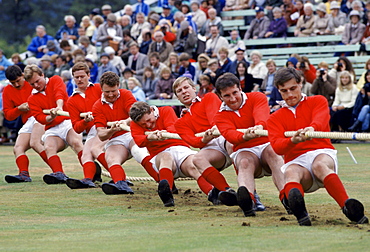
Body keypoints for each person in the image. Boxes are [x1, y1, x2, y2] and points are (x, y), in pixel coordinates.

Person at [267, 67, 368, 226]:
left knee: (319, 165)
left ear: (301, 83)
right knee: (291, 172)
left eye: (293, 88)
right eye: (284, 91)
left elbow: (321, 119)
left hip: (321, 152)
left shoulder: (317, 100)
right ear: (278, 91)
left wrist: (312, 128)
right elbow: (278, 147)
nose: (290, 95)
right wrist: (293, 141)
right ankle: (301, 213)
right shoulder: (274, 118)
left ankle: (346, 205)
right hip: (297, 161)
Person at [213, 73, 286, 217]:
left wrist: (259, 126)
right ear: (220, 96)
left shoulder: (256, 97)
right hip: (244, 150)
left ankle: (288, 197)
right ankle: (248, 200)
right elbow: (230, 135)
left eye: (235, 93)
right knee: (244, 162)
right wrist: (244, 136)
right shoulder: (220, 116)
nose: (233, 99)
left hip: (265, 144)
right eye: (227, 96)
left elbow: (262, 114)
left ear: (240, 88)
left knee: (274, 153)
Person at [92, 72, 158, 194]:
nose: (111, 95)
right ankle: (121, 185)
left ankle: (164, 183)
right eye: (107, 92)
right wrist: (111, 130)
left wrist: (125, 121)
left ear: (118, 86)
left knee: (139, 152)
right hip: (115, 138)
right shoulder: (97, 106)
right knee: (111, 158)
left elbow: (135, 115)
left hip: (132, 132)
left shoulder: (126, 94)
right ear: (101, 89)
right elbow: (101, 134)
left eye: (114, 91)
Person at [24, 64, 84, 184]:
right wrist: (50, 117)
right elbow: (40, 118)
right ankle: (59, 174)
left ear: (42, 75)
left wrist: (59, 107)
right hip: (52, 127)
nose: (36, 85)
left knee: (76, 142)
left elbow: (59, 93)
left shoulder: (55, 79)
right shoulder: (32, 98)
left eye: (37, 81)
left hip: (68, 121)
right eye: (32, 84)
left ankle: (91, 174)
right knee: (49, 147)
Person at [65, 62, 109, 189]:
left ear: (89, 75)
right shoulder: (72, 100)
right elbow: (77, 128)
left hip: (108, 126)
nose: (79, 79)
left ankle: (119, 179)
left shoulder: (98, 88)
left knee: (94, 149)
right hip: (93, 130)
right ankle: (88, 180)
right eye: (76, 77)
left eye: (82, 76)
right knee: (86, 154)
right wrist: (85, 121)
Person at [2, 65, 50, 183]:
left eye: (18, 81)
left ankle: (58, 171)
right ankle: (24, 174)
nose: (17, 85)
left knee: (35, 143)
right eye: (13, 83)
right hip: (28, 121)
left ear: (23, 75)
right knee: (18, 148)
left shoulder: (32, 83)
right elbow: (8, 115)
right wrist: (19, 109)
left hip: (41, 116)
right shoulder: (7, 90)